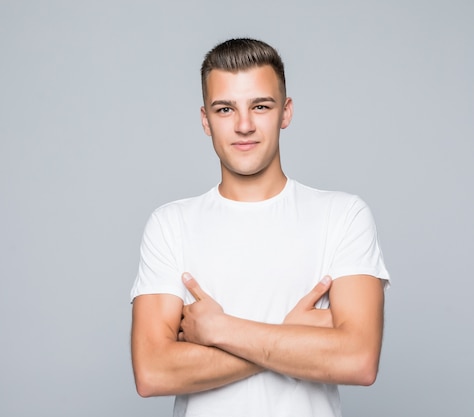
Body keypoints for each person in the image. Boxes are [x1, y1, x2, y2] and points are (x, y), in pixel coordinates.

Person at [130, 38, 389, 417]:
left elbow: (358, 361)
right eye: (225, 109)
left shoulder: (343, 216)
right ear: (205, 120)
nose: (244, 125)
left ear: (286, 112)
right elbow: (152, 372)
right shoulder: (171, 225)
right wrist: (295, 338)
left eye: (260, 106)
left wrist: (220, 331)